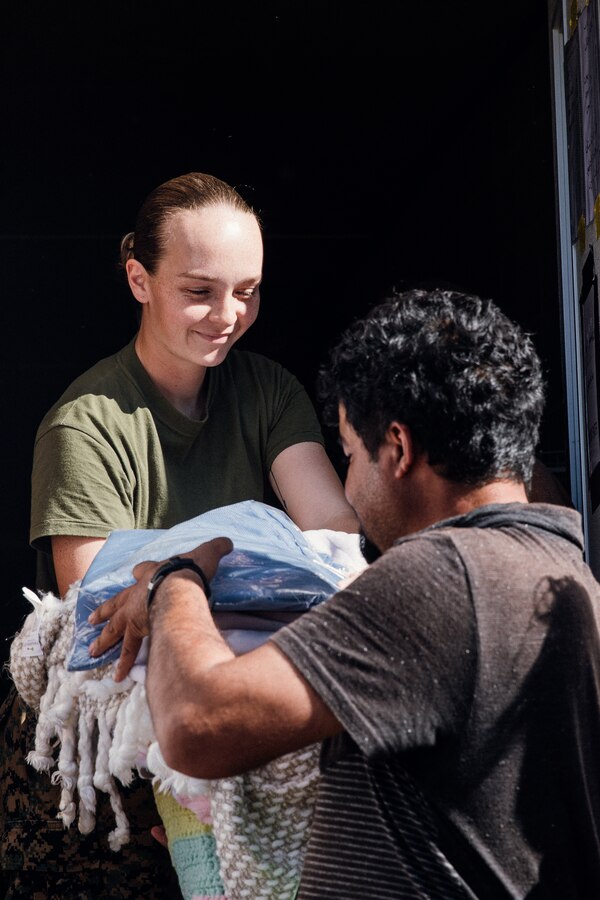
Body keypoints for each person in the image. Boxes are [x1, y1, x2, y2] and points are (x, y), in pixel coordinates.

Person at [90, 288, 600, 898]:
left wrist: (175, 580)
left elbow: (198, 725)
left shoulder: (443, 578)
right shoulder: (567, 576)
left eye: (352, 457)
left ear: (400, 448)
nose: (350, 491)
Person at [0, 172, 358, 899]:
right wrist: (244, 553)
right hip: (104, 764)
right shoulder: (85, 426)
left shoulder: (269, 393)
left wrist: (179, 570)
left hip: (230, 720)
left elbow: (335, 540)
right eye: (199, 290)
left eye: (248, 291)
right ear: (139, 278)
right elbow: (99, 610)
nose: (227, 314)